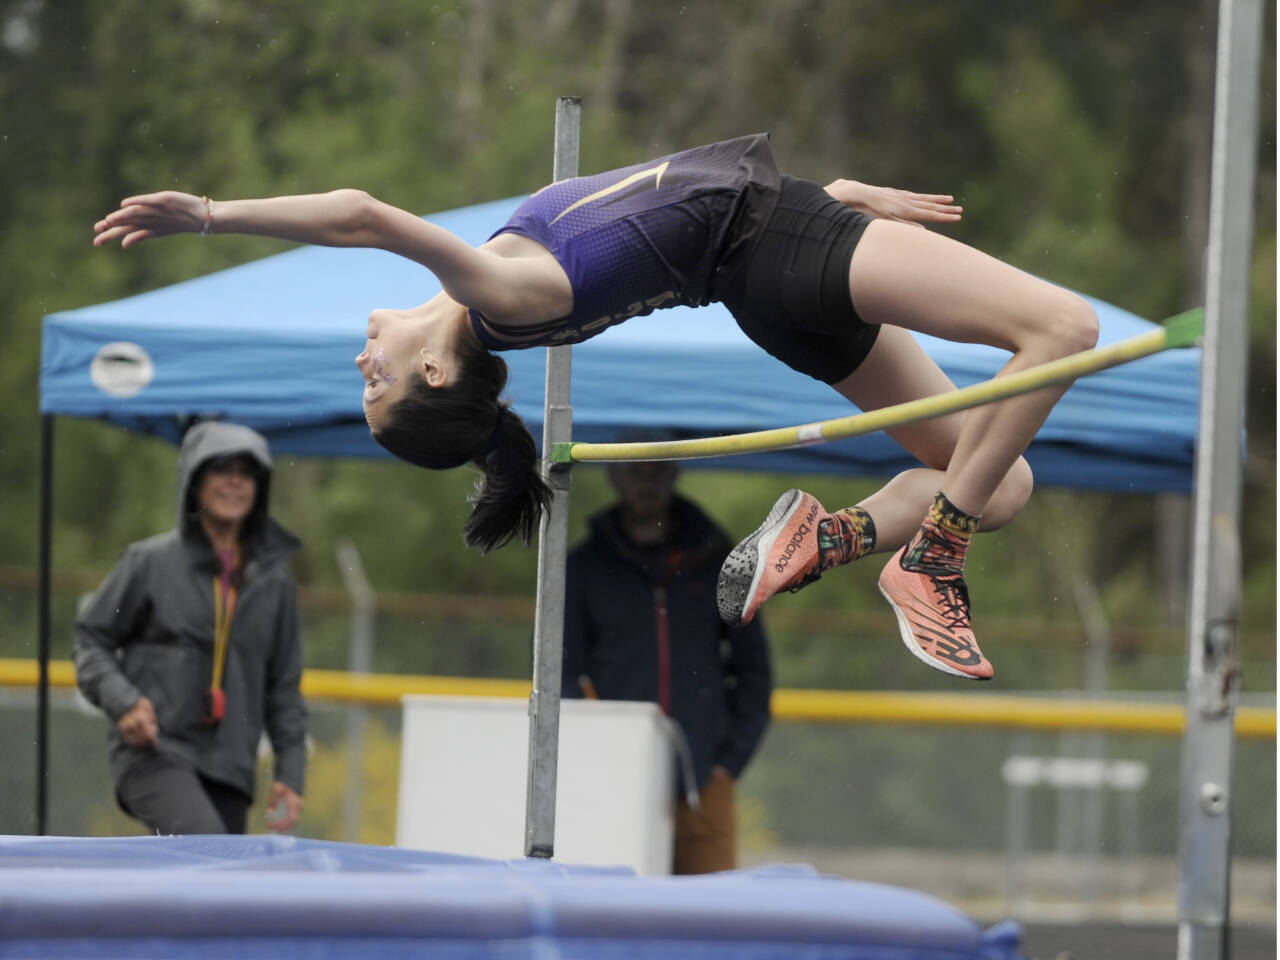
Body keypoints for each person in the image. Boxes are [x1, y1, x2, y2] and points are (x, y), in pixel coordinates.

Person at [92, 133, 1098, 680]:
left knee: (997, 477)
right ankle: (931, 560)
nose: (362, 353)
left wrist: (824, 197)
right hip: (778, 250)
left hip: (775, 271)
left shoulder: (498, 287)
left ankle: (833, 538)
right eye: (373, 378)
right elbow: (360, 214)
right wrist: (213, 216)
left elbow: (653, 214)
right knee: (1060, 331)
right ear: (435, 376)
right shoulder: (496, 294)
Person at [74, 421, 307, 835]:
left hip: (232, 767)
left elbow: (284, 687)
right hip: (155, 753)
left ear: (260, 486)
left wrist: (290, 772)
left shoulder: (275, 582)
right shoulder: (149, 562)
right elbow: (91, 640)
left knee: (218, 890)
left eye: (247, 471)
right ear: (194, 480)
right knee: (208, 854)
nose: (235, 481)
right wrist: (123, 701)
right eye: (221, 468)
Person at [562, 458, 772, 873]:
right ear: (614, 476)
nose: (647, 483)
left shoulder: (722, 561)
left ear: (675, 475)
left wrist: (728, 763)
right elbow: (561, 670)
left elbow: (754, 670)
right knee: (613, 906)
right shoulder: (583, 567)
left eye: (658, 471)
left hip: (703, 779)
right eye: (636, 471)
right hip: (613, 781)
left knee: (709, 916)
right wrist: (593, 748)